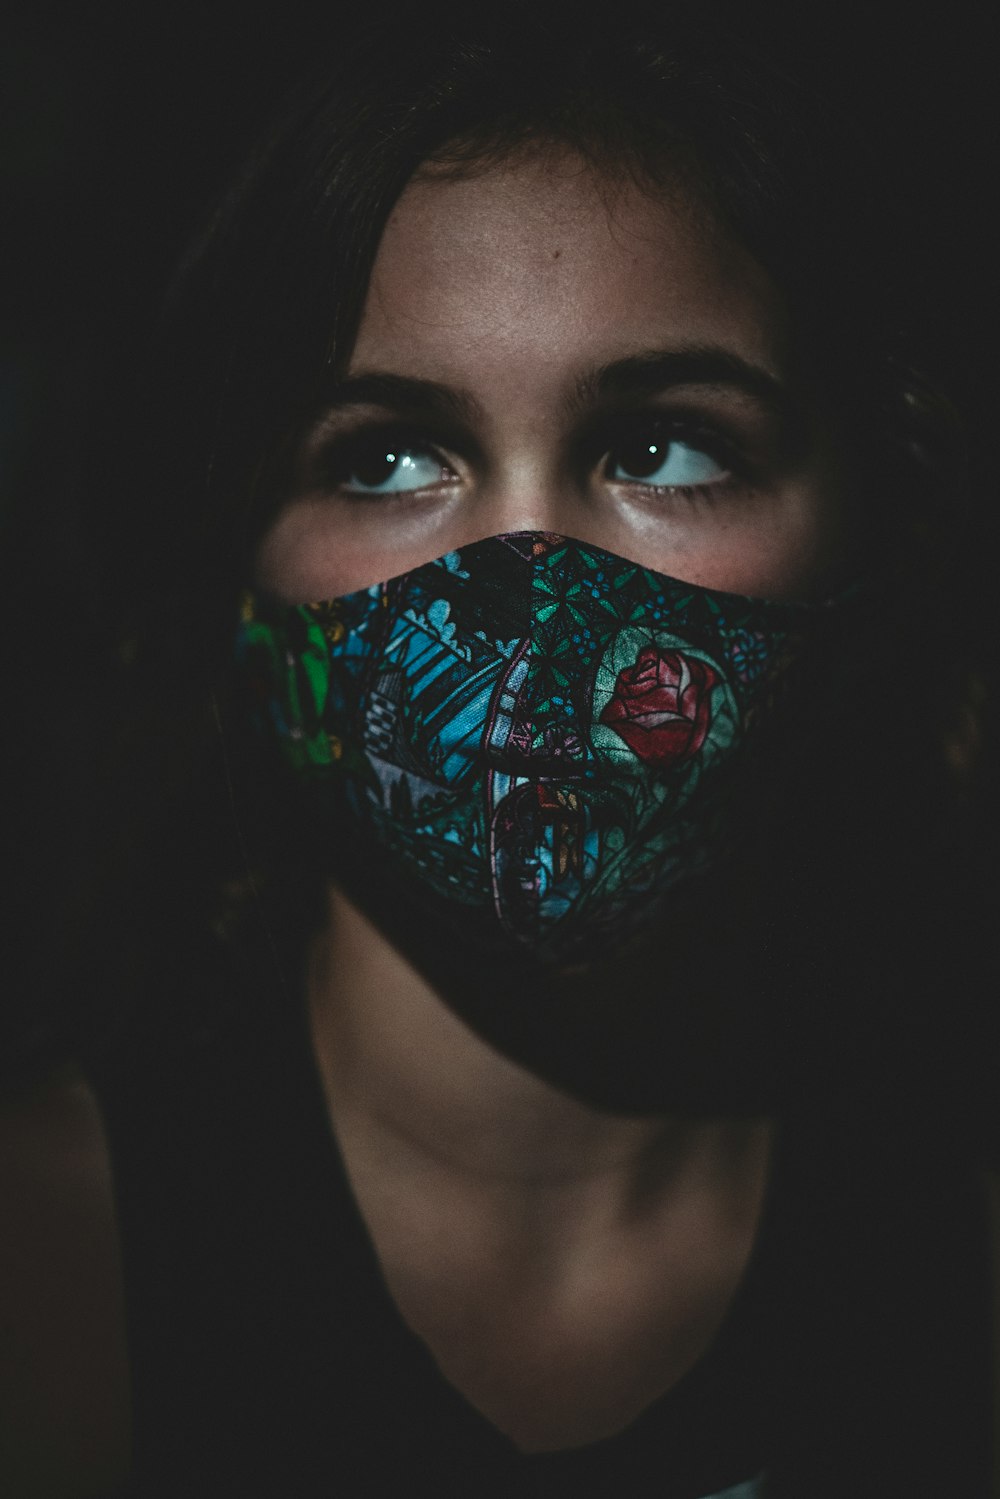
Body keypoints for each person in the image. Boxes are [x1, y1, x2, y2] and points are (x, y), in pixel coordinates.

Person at [1, 3, 995, 1495]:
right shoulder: (41, 1285)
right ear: (236, 568)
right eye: (387, 458)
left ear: (876, 530)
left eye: (662, 445)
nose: (525, 585)